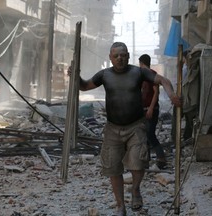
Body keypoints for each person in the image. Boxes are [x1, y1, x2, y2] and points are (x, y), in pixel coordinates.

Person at [70, 42, 181, 215]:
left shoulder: (138, 72)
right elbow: (84, 86)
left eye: (123, 55)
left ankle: (135, 189)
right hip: (113, 128)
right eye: (116, 56)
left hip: (136, 126)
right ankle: (120, 205)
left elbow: (163, 80)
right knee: (113, 167)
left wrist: (172, 95)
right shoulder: (104, 75)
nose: (120, 58)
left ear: (128, 56)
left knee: (138, 163)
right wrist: (75, 76)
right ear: (110, 58)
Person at [139, 54, 167, 169]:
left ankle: (161, 158)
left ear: (141, 63)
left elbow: (156, 92)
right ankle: (146, 159)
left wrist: (151, 108)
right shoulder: (141, 75)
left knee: (150, 134)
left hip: (152, 109)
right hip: (143, 110)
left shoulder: (151, 74)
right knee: (144, 135)